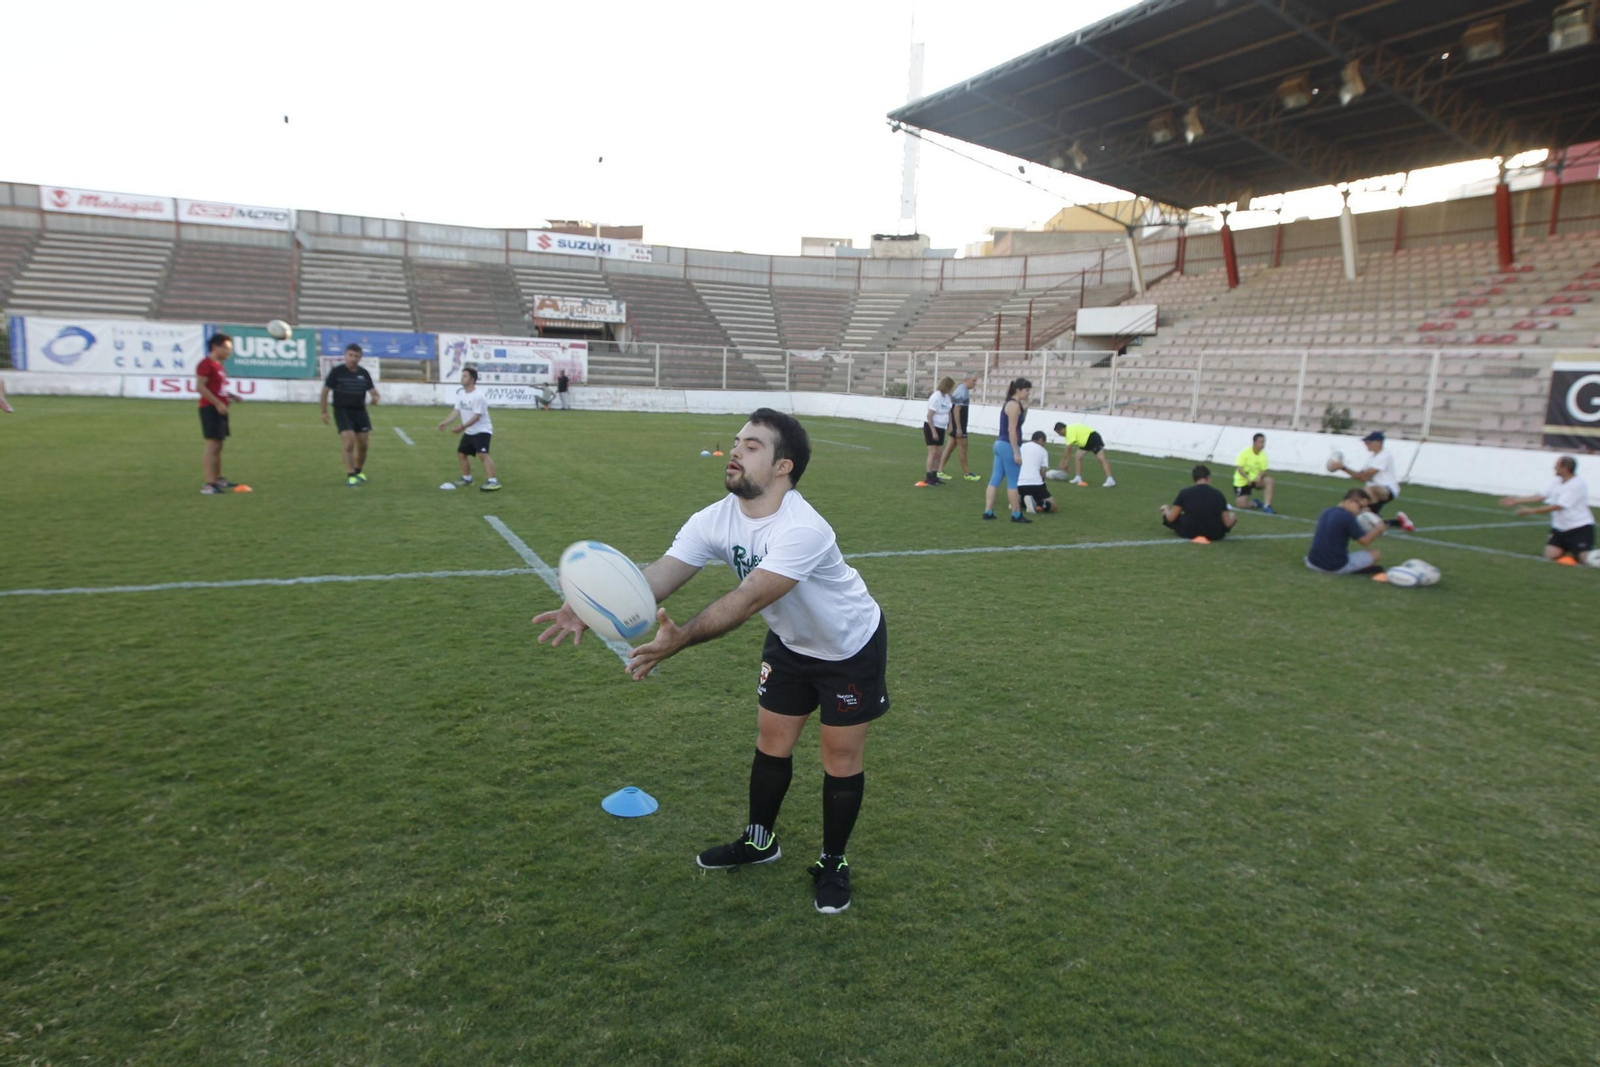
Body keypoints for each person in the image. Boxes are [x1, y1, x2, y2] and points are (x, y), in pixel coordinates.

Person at [532, 409, 887, 915]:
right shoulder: (714, 517)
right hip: (790, 643)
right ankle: (760, 841)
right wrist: (589, 605)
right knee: (772, 742)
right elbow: (660, 574)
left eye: (753, 445)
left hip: (848, 647)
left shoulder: (803, 529)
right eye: (737, 441)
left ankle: (833, 861)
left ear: (783, 466)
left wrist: (681, 639)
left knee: (840, 758)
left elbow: (745, 600)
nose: (736, 450)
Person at [1498, 455, 1594, 563]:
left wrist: (1532, 511)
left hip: (1579, 528)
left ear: (1565, 468)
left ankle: (1580, 553)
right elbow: (1542, 495)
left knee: (1585, 559)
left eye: (1557, 465)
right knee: (1550, 555)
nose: (1554, 467)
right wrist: (1517, 500)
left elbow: (1558, 506)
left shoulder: (1577, 485)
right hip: (1560, 528)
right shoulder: (1557, 481)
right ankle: (1571, 553)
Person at [320, 343, 381, 485]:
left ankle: (359, 471)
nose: (353, 359)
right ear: (345, 356)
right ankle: (350, 473)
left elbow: (373, 391)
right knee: (349, 441)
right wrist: (323, 411)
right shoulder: (337, 372)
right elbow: (325, 392)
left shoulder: (364, 373)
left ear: (360, 358)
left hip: (360, 411)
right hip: (342, 411)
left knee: (364, 444)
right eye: (350, 355)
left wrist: (375, 397)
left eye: (356, 356)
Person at [1332, 431, 1414, 531]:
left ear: (1378, 442)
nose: (1366, 444)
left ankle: (1343, 520)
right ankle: (1397, 522)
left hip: (1387, 490)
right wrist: (1342, 468)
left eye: (1369, 442)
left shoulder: (1384, 456)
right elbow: (1360, 475)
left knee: (1365, 493)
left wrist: (1343, 468)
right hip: (1375, 491)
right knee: (1367, 524)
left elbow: (1364, 477)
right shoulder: (1373, 458)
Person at [436, 365, 500, 491]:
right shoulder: (461, 394)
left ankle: (493, 481)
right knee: (461, 453)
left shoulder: (478, 396)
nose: (462, 378)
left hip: (482, 430)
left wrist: (462, 427)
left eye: (465, 376)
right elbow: (456, 411)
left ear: (472, 380)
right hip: (469, 431)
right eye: (462, 375)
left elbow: (477, 416)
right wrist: (445, 422)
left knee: (482, 454)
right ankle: (467, 478)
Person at [196, 332, 240, 495]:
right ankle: (209, 484)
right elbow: (200, 386)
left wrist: (230, 396)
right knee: (212, 445)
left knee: (219, 445)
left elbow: (216, 387)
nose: (229, 352)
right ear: (215, 347)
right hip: (210, 408)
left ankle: (218, 478)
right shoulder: (205, 364)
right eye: (227, 348)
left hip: (220, 407)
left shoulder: (218, 365)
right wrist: (217, 403)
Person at [983, 378, 1032, 523]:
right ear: (1018, 390)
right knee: (1012, 481)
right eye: (1027, 390)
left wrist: (1026, 409)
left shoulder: (1012, 404)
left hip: (1000, 444)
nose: (1028, 393)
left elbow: (1017, 425)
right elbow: (1012, 430)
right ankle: (1016, 514)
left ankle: (988, 511)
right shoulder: (1014, 405)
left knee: (995, 478)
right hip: (1007, 445)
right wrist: (1016, 451)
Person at [1305, 489, 1387, 575]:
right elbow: (1365, 541)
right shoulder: (1348, 517)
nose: (1361, 511)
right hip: (1334, 567)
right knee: (1375, 554)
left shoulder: (1327, 511)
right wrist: (1378, 529)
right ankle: (1352, 569)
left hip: (1311, 563)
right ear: (1350, 501)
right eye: (1361, 507)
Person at [1160, 465, 1236, 542]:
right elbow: (1227, 524)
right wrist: (1234, 517)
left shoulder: (1185, 493)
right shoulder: (1219, 495)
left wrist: (1166, 509)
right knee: (1228, 517)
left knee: (1173, 515)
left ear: (1194, 479)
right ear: (1208, 478)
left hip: (1188, 532)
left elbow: (1171, 518)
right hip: (1214, 534)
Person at [938, 371, 980, 480]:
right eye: (973, 381)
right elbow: (956, 409)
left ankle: (940, 470)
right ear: (967, 380)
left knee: (950, 447)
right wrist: (959, 428)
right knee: (963, 447)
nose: (975, 383)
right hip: (959, 425)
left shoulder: (962, 389)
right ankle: (967, 473)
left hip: (956, 424)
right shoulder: (963, 391)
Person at [1052, 421, 1116, 487]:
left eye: (1059, 433)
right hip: (1085, 442)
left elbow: (1069, 449)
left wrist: (1064, 462)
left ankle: (1110, 479)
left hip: (1093, 438)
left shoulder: (1069, 431)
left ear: (1062, 429)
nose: (1059, 435)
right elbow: (1069, 450)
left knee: (1101, 459)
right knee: (1077, 456)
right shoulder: (1068, 431)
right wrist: (1066, 463)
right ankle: (1078, 477)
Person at [918, 376, 954, 487]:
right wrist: (933, 431)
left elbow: (949, 412)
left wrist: (950, 425)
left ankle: (935, 475)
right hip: (931, 426)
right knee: (933, 452)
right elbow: (929, 416)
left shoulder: (947, 397)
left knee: (939, 453)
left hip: (941, 427)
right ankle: (928, 476)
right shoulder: (936, 397)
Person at [1233, 433, 1277, 513]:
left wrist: (1260, 476)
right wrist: (1247, 478)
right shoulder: (1245, 453)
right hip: (1243, 481)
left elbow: (1264, 470)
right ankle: (1255, 503)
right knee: (1241, 505)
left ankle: (1267, 506)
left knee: (1270, 481)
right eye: (1261, 442)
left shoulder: (1263, 455)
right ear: (1254, 442)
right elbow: (1239, 468)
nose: (1263, 444)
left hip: (1256, 481)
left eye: (1263, 442)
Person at [1017, 430, 1057, 514]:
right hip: (1035, 484)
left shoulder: (1021, 446)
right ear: (1041, 439)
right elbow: (1043, 472)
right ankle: (1037, 502)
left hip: (1019, 484)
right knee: (1053, 506)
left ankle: (1019, 500)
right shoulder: (1043, 451)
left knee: (1023, 492)